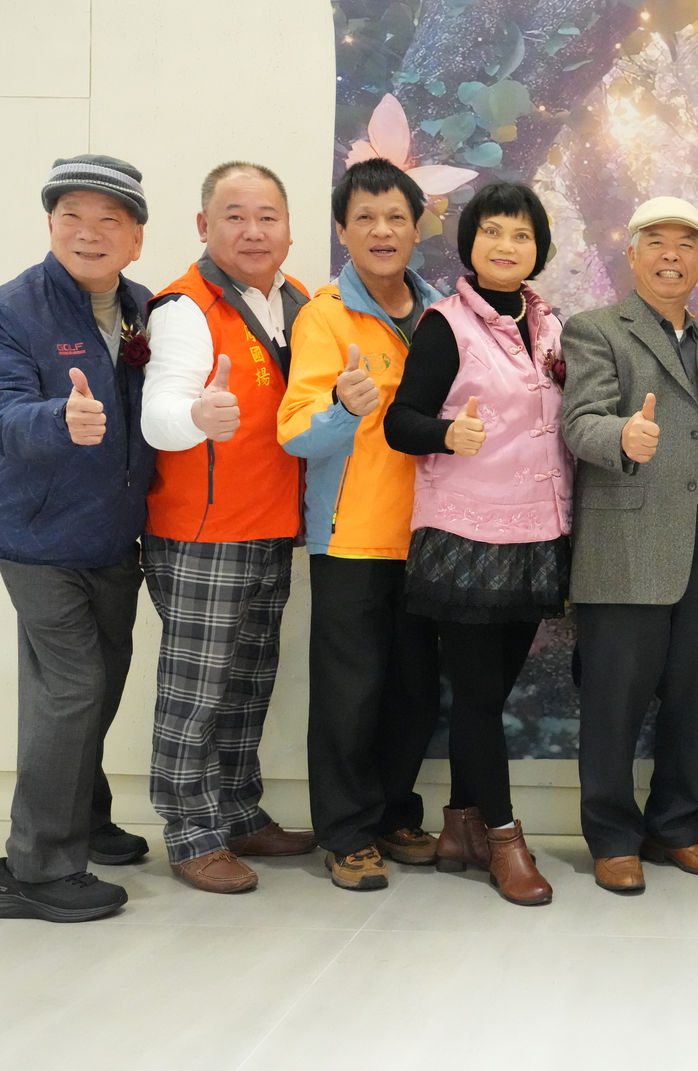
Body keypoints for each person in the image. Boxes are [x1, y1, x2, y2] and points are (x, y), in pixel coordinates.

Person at [0, 155, 154, 922]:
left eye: (109, 219)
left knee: (99, 684)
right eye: (72, 216)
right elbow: (0, 417)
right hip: (37, 534)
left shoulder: (145, 307)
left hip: (114, 534)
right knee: (72, 687)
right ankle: (34, 870)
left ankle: (80, 815)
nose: (89, 232)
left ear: (136, 238)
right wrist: (60, 418)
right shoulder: (10, 309)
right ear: (50, 224)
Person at [383, 181, 568, 907]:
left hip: (537, 532)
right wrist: (445, 433)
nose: (505, 245)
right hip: (466, 537)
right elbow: (400, 421)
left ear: (538, 248)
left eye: (520, 234)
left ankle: (461, 824)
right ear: (470, 244)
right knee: (480, 698)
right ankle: (504, 839)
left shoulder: (550, 325)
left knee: (491, 692)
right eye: (492, 231)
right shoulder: (445, 325)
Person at [561, 197, 698, 893]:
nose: (672, 255)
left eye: (687, 244)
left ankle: (678, 826)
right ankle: (612, 838)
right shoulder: (595, 330)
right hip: (628, 541)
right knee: (614, 696)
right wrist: (622, 436)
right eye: (658, 242)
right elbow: (579, 421)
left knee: (693, 694)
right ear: (633, 254)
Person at [138, 162, 316, 894]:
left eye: (267, 216)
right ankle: (190, 834)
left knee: (247, 686)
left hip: (271, 525)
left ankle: (238, 813)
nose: (253, 231)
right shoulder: (185, 307)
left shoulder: (298, 300)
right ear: (203, 226)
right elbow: (159, 412)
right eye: (234, 216)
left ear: (288, 228)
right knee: (196, 693)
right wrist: (195, 416)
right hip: (202, 533)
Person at [280, 159, 448, 891]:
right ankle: (346, 833)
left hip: (433, 533)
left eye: (396, 217)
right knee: (350, 693)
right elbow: (295, 433)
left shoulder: (444, 313)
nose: (382, 231)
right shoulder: (324, 316)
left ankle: (394, 814)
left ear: (418, 226)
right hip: (352, 534)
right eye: (365, 218)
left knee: (414, 690)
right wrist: (344, 408)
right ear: (342, 231)